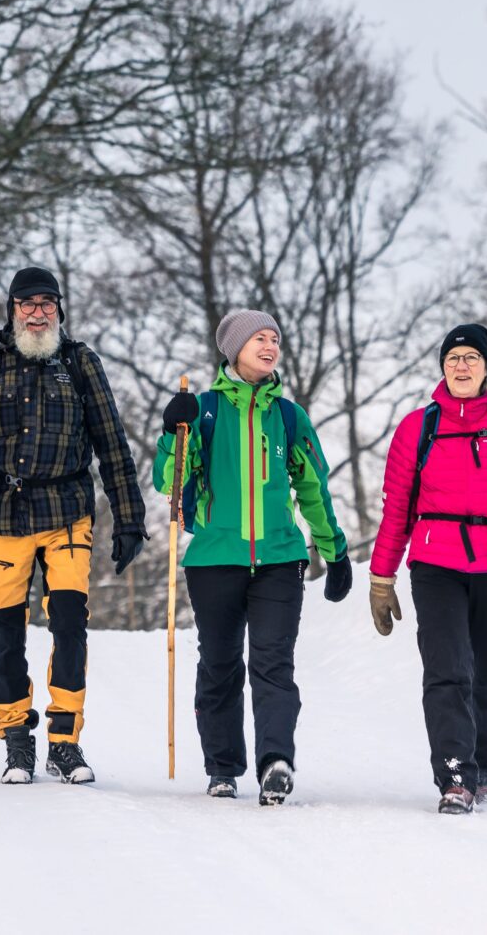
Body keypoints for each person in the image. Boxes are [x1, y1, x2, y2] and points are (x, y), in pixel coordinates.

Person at [0, 266, 146, 785]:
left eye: (46, 303)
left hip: (68, 510)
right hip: (3, 515)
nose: (37, 312)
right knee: (5, 633)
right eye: (27, 304)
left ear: (59, 310)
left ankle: (64, 741)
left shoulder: (79, 364)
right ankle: (15, 738)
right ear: (12, 310)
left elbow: (111, 444)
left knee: (71, 625)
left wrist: (129, 517)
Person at [365, 321, 487, 814]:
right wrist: (381, 576)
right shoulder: (419, 427)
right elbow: (397, 509)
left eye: (471, 358)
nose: (461, 365)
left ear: (486, 369)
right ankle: (455, 776)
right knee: (448, 671)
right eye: (453, 358)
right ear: (442, 368)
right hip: (436, 563)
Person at [151, 309, 349, 805]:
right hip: (215, 559)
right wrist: (172, 430)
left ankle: (275, 763)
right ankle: (222, 767)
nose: (270, 345)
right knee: (219, 665)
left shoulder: (288, 416)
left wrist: (334, 550)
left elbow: (313, 488)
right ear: (234, 347)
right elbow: (167, 484)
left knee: (273, 664)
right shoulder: (204, 411)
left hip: (280, 560)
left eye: (275, 338)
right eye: (259, 337)